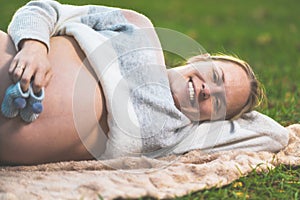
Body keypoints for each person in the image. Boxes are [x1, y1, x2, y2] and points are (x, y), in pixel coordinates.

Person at [0, 0, 288, 165]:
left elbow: (272, 135)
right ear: (199, 57)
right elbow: (44, 9)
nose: (206, 90)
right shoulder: (139, 27)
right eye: (215, 76)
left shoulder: (177, 133)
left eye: (219, 101)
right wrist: (34, 48)